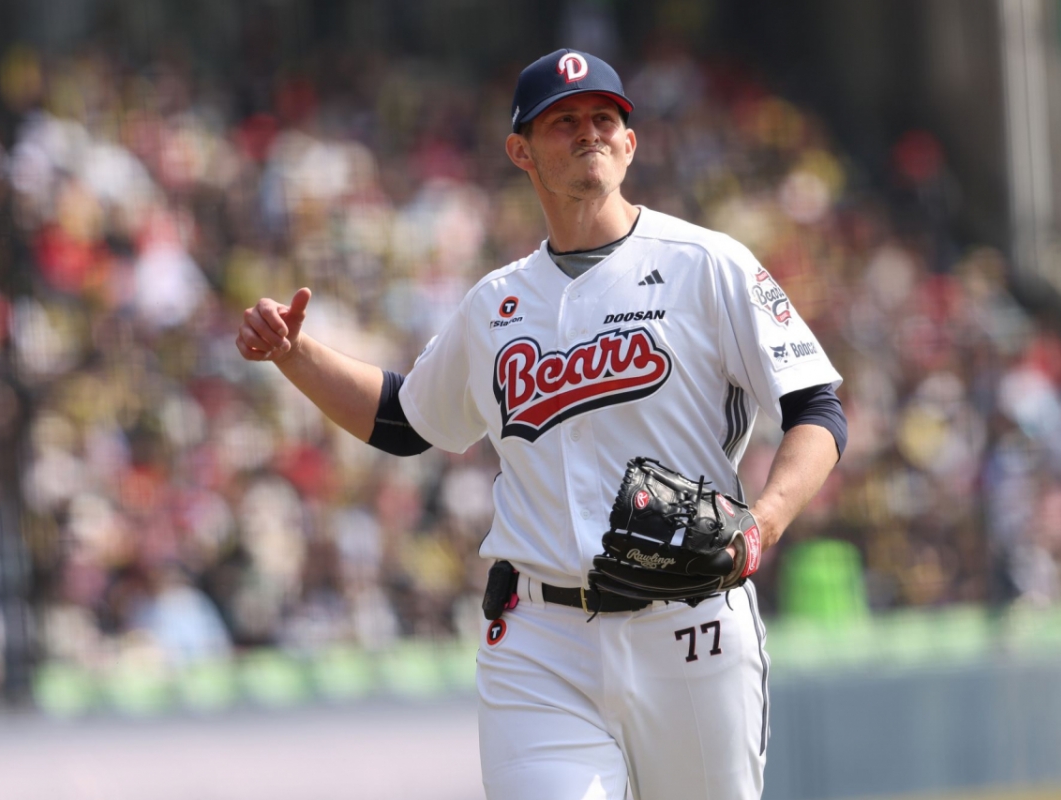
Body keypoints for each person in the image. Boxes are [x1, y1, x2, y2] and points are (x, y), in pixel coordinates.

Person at [237, 48, 846, 800]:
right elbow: (405, 421)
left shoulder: (708, 264)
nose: (589, 132)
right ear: (521, 151)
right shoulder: (496, 303)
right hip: (540, 640)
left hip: (691, 623)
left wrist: (763, 524)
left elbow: (816, 407)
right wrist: (294, 355)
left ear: (630, 143)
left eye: (604, 118)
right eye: (564, 121)